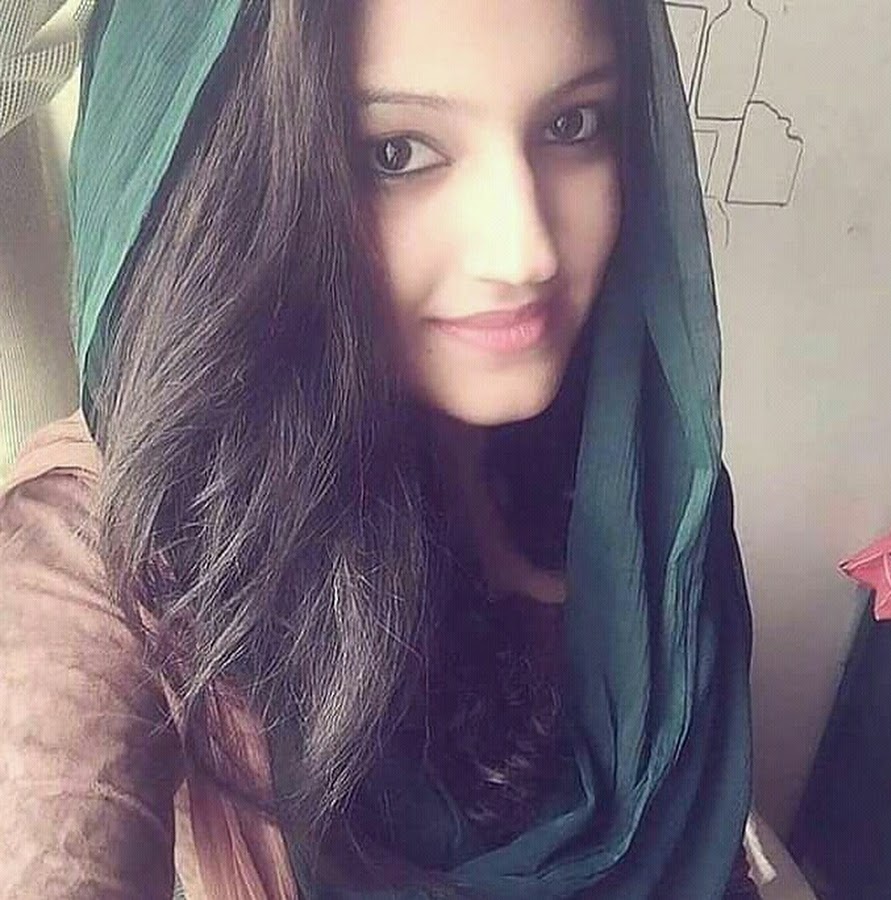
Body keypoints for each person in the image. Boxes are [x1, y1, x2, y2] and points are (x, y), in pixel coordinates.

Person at [0, 0, 761, 896]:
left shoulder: (651, 489)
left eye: (572, 125)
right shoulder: (125, 538)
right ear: (224, 181)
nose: (526, 252)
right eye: (395, 153)